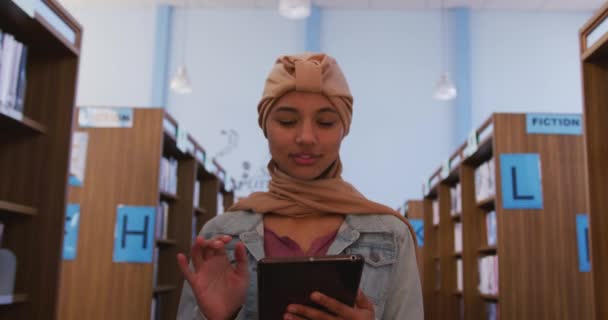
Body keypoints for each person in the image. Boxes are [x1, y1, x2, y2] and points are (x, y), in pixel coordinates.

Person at [176, 53, 423, 320]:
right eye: (286, 121)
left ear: (344, 129)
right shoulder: (219, 236)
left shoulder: (391, 235)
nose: (306, 137)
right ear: (265, 127)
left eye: (326, 122)